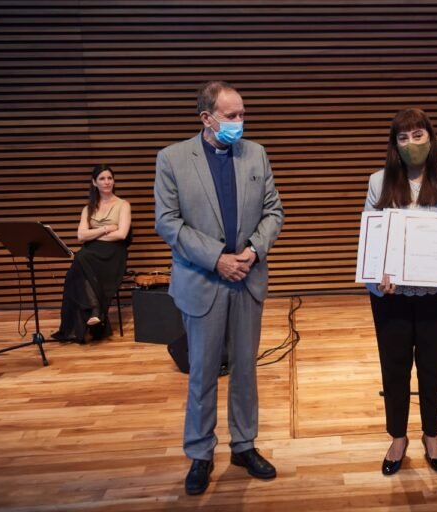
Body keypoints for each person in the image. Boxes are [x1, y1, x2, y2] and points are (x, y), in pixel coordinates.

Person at [154, 80, 284, 495]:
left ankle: (244, 445)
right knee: (203, 374)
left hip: (247, 279)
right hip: (202, 281)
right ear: (207, 119)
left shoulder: (256, 154)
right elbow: (168, 222)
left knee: (245, 370)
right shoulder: (172, 158)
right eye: (232, 116)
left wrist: (253, 251)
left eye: (243, 114)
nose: (240, 123)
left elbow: (273, 211)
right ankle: (200, 453)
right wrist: (217, 258)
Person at [364, 108, 437, 476]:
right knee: (394, 367)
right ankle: (398, 436)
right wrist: (377, 270)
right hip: (391, 295)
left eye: (417, 136)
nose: (411, 144)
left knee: (432, 365)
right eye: (403, 138)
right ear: (394, 145)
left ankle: (431, 434)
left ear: (430, 138)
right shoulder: (378, 181)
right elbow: (371, 237)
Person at [52, 164, 132, 344]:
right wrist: (106, 228)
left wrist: (93, 235)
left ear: (114, 181)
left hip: (113, 253)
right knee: (77, 268)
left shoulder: (123, 205)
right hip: (91, 253)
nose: (107, 182)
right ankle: (93, 314)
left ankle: (93, 313)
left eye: (109, 178)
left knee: (80, 258)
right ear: (94, 183)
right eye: (102, 179)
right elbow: (81, 235)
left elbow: (121, 234)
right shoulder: (88, 208)